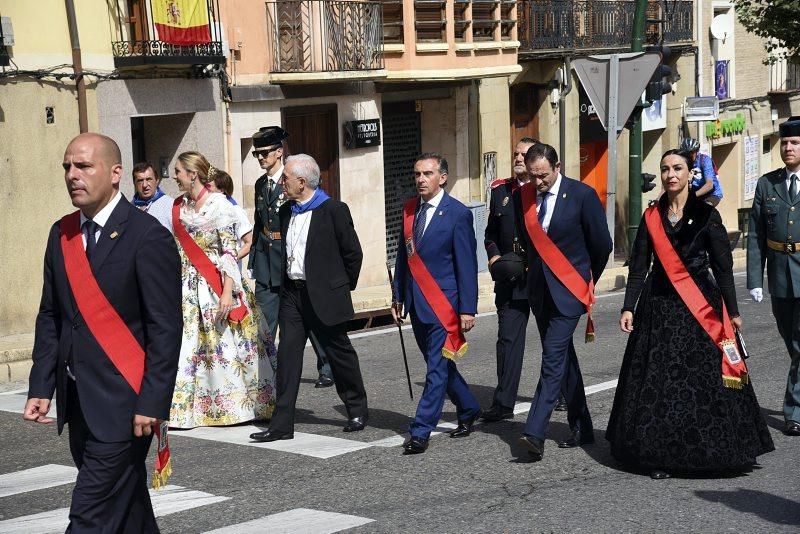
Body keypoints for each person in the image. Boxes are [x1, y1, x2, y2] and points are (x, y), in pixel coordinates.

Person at [24, 133, 182, 532]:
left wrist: (153, 400)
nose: (72, 175)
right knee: (127, 508)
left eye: (83, 166)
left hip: (127, 404)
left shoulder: (147, 236)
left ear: (115, 174)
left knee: (90, 515)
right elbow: (51, 315)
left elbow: (165, 328)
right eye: (67, 167)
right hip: (79, 400)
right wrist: (41, 386)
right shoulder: (61, 234)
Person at [608, 149, 774, 478]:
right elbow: (640, 266)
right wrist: (629, 306)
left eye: (678, 168)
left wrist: (734, 312)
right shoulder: (651, 216)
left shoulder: (707, 215)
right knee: (660, 381)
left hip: (701, 309)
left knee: (703, 382)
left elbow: (723, 268)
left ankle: (714, 450)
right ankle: (657, 456)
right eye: (666, 169)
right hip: (659, 309)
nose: (671, 174)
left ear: (689, 174)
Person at [250, 154, 368, 442]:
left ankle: (356, 408)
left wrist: (338, 288)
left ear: (301, 183)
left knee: (339, 354)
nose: (282, 184)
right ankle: (281, 425)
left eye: (286, 179)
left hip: (324, 296)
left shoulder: (334, 210)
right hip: (293, 295)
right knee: (288, 357)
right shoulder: (287, 211)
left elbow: (353, 254)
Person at [514, 143, 612, 461]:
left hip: (570, 290)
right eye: (532, 176)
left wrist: (586, 279)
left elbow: (602, 244)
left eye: (542, 175)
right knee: (563, 358)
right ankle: (581, 425)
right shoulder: (524, 197)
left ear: (557, 167)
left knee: (553, 357)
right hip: (540, 290)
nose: (537, 182)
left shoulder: (581, 195)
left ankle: (535, 431)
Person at [169, 151, 276, 428]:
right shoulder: (179, 206)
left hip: (215, 283)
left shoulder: (219, 205)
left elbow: (230, 250)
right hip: (185, 286)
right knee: (190, 345)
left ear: (192, 174)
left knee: (224, 344)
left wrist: (227, 292)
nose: (175, 176)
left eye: (178, 171)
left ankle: (238, 404)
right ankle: (190, 409)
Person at [392, 153, 481, 454]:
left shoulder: (457, 214)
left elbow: (466, 265)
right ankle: (468, 408)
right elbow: (403, 259)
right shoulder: (408, 211)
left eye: (427, 174)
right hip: (417, 304)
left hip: (445, 306)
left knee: (435, 371)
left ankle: (420, 431)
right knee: (439, 366)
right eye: (417, 174)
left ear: (442, 177)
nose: (420, 180)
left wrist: (467, 308)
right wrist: (397, 296)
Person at [483, 137, 566, 420]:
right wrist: (494, 257)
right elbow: (490, 232)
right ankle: (503, 402)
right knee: (507, 340)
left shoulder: (546, 190)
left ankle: (563, 393)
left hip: (543, 278)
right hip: (511, 278)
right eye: (515, 153)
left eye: (524, 155)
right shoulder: (500, 191)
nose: (518, 158)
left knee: (552, 339)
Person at [249, 126, 335, 388]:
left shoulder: (293, 183)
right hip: (266, 262)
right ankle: (265, 373)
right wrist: (253, 258)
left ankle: (327, 365)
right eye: (256, 154)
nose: (261, 158)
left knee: (306, 319)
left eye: (265, 153)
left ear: (278, 151)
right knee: (264, 322)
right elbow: (258, 222)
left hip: (289, 261)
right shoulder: (261, 184)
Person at [747, 115, 800, 437]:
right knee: (792, 343)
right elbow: (755, 234)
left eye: (795, 143)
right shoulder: (768, 184)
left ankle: (793, 411)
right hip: (780, 276)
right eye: (785, 144)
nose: (788, 148)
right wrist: (755, 279)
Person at [208, 168, 253, 264]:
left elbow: (249, 243)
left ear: (221, 190)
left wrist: (230, 261)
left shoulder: (236, 210)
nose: (205, 190)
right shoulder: (208, 209)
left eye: (209, 187)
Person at [131, 161, 174, 233]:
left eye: (149, 179)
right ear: (134, 183)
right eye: (140, 181)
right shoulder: (130, 207)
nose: (145, 185)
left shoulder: (171, 205)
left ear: (157, 181)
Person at [680, 138, 723, 207]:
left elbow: (709, 185)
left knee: (703, 209)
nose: (689, 155)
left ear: (696, 151)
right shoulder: (683, 162)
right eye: (686, 153)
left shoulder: (705, 160)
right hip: (695, 193)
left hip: (712, 194)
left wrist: (692, 196)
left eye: (691, 153)